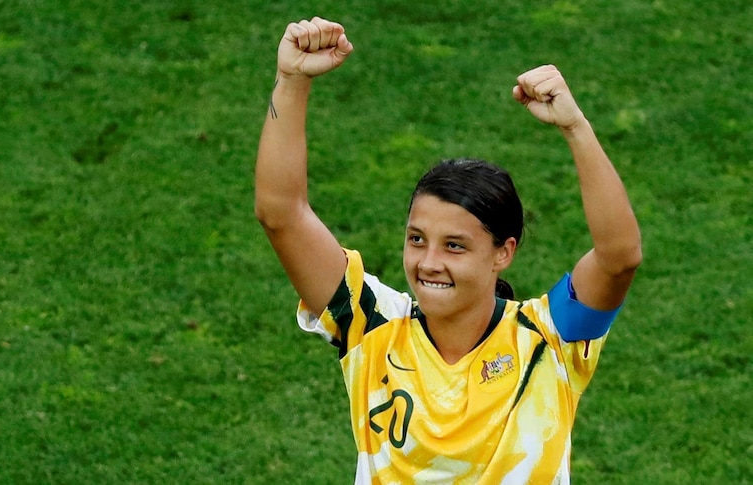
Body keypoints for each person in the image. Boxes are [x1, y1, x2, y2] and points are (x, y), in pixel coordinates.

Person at [254, 16, 642, 485]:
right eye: (417, 239)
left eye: (455, 246)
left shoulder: (550, 340)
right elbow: (281, 215)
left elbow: (619, 257)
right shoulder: (371, 325)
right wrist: (291, 80)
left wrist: (576, 127)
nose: (429, 262)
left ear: (504, 252)